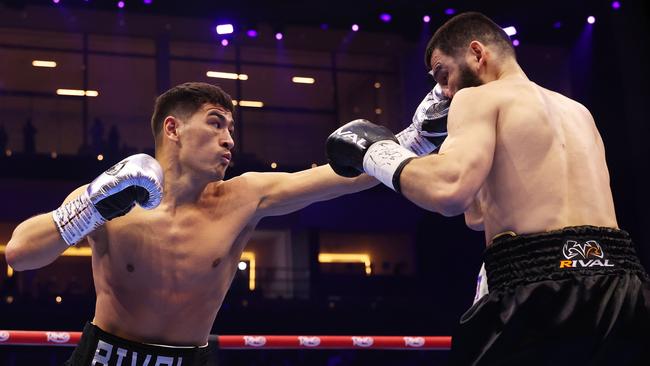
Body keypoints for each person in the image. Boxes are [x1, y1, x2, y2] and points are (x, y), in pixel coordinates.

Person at [326, 12, 650, 365]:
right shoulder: (578, 110)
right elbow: (478, 216)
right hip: (624, 286)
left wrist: (374, 152)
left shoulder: (477, 99)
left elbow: (447, 191)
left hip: (540, 290)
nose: (446, 92)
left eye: (443, 74)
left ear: (477, 54)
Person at [5, 82, 383, 366]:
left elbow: (341, 178)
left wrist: (416, 139)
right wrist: (91, 208)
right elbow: (20, 253)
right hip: (106, 357)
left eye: (231, 129)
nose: (229, 140)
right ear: (173, 129)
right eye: (216, 124)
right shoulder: (109, 196)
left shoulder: (243, 197)